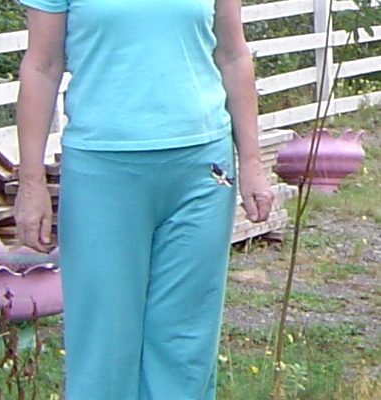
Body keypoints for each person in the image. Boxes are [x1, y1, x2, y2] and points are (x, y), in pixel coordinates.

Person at [14, 0, 274, 399]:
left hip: (201, 170)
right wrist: (30, 182)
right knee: (104, 339)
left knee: (185, 342)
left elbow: (233, 54)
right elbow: (42, 67)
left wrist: (252, 162)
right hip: (102, 170)